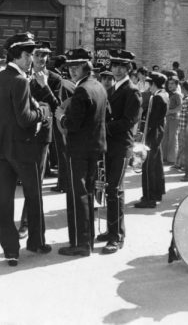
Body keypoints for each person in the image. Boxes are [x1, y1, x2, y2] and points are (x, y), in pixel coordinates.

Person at [0, 33, 52, 266]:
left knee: (3, 199)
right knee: (34, 196)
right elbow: (24, 119)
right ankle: (35, 241)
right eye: (31, 55)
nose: (32, 59)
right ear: (22, 56)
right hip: (22, 149)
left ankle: (10, 249)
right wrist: (42, 112)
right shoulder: (21, 81)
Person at [55, 48, 107, 256]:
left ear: (86, 66)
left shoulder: (82, 90)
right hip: (95, 147)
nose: (72, 71)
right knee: (87, 194)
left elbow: (73, 124)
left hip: (79, 150)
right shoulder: (98, 86)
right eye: (70, 67)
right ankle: (88, 240)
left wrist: (60, 116)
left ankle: (80, 243)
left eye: (76, 67)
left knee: (78, 196)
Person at [96, 49, 141, 254]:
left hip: (121, 145)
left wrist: (104, 127)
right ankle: (111, 229)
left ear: (129, 68)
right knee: (109, 188)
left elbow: (128, 121)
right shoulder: (113, 88)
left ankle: (117, 236)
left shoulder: (132, 91)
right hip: (109, 144)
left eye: (122, 66)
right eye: (114, 66)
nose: (118, 69)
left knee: (115, 189)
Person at [17, 41, 63, 239]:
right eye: (37, 55)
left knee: (35, 180)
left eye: (45, 55)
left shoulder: (55, 78)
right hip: (20, 133)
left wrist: (45, 87)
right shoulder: (21, 76)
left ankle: (27, 223)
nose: (41, 59)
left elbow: (58, 106)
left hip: (42, 135)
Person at [135, 71, 168, 208]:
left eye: (149, 82)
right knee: (156, 165)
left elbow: (150, 120)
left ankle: (149, 197)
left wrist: (142, 135)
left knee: (148, 166)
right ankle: (157, 192)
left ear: (153, 83)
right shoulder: (163, 94)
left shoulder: (156, 98)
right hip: (158, 132)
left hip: (152, 133)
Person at [162, 77, 182, 164]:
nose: (170, 85)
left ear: (177, 85)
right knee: (165, 138)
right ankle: (164, 157)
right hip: (167, 118)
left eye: (172, 84)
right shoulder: (168, 94)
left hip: (174, 118)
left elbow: (180, 107)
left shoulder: (177, 94)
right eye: (169, 83)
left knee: (173, 139)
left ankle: (172, 159)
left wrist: (169, 111)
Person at [175, 81, 188, 170]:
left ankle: (183, 164)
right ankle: (179, 163)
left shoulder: (187, 100)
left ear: (184, 89)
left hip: (184, 126)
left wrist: (187, 127)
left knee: (183, 145)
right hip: (182, 125)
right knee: (182, 145)